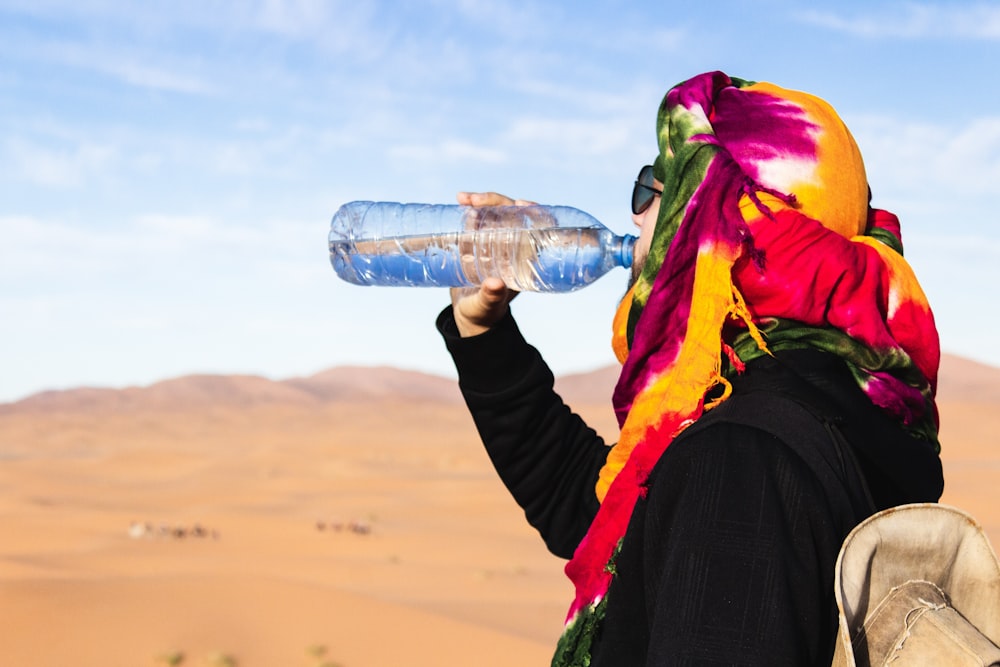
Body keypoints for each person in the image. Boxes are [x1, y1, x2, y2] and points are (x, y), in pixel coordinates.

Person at [435, 71, 944, 666]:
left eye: (656, 186)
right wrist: (482, 331)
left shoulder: (744, 454)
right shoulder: (824, 396)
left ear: (710, 206)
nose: (637, 216)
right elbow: (604, 520)